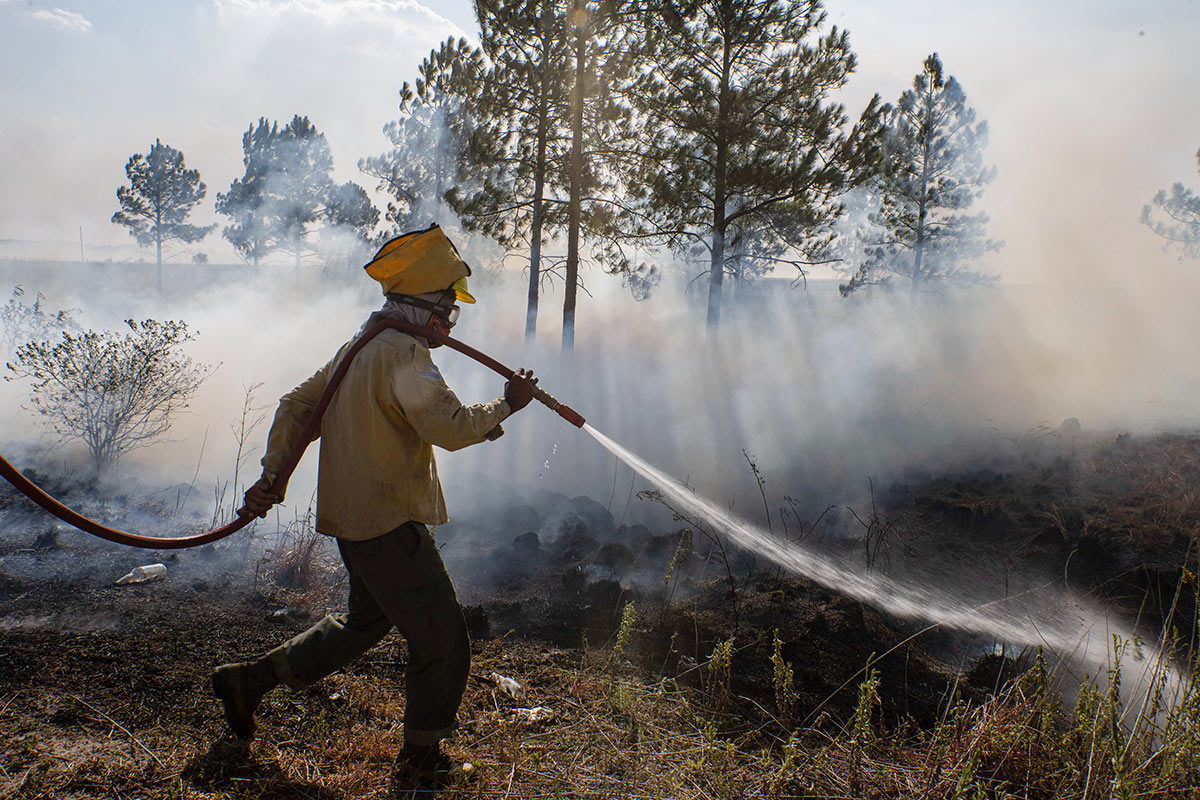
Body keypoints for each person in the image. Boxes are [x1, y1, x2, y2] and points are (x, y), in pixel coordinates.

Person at [211, 224, 536, 787]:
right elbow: (450, 428)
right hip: (388, 523)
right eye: (446, 308)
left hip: (353, 519)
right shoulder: (402, 354)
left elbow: (296, 405)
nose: (450, 321)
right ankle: (421, 762)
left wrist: (274, 476)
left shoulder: (357, 348)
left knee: (365, 622)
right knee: (442, 640)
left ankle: (250, 682)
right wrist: (506, 405)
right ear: (421, 305)